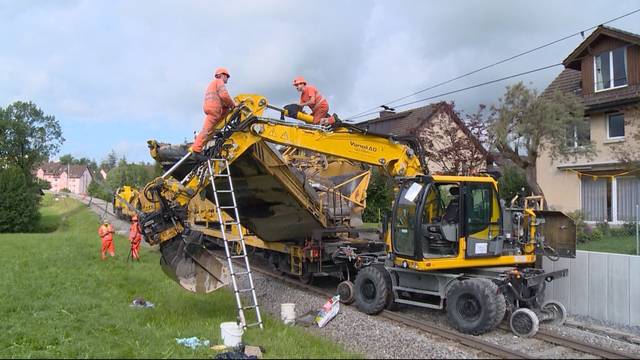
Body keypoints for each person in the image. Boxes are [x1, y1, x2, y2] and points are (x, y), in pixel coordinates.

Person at [190, 67, 237, 153]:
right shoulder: (219, 82)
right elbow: (224, 95)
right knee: (206, 130)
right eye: (227, 76)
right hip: (214, 109)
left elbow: (221, 100)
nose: (227, 79)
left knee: (210, 129)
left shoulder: (213, 84)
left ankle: (215, 133)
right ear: (222, 75)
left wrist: (227, 106)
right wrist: (233, 105)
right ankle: (196, 149)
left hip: (210, 107)